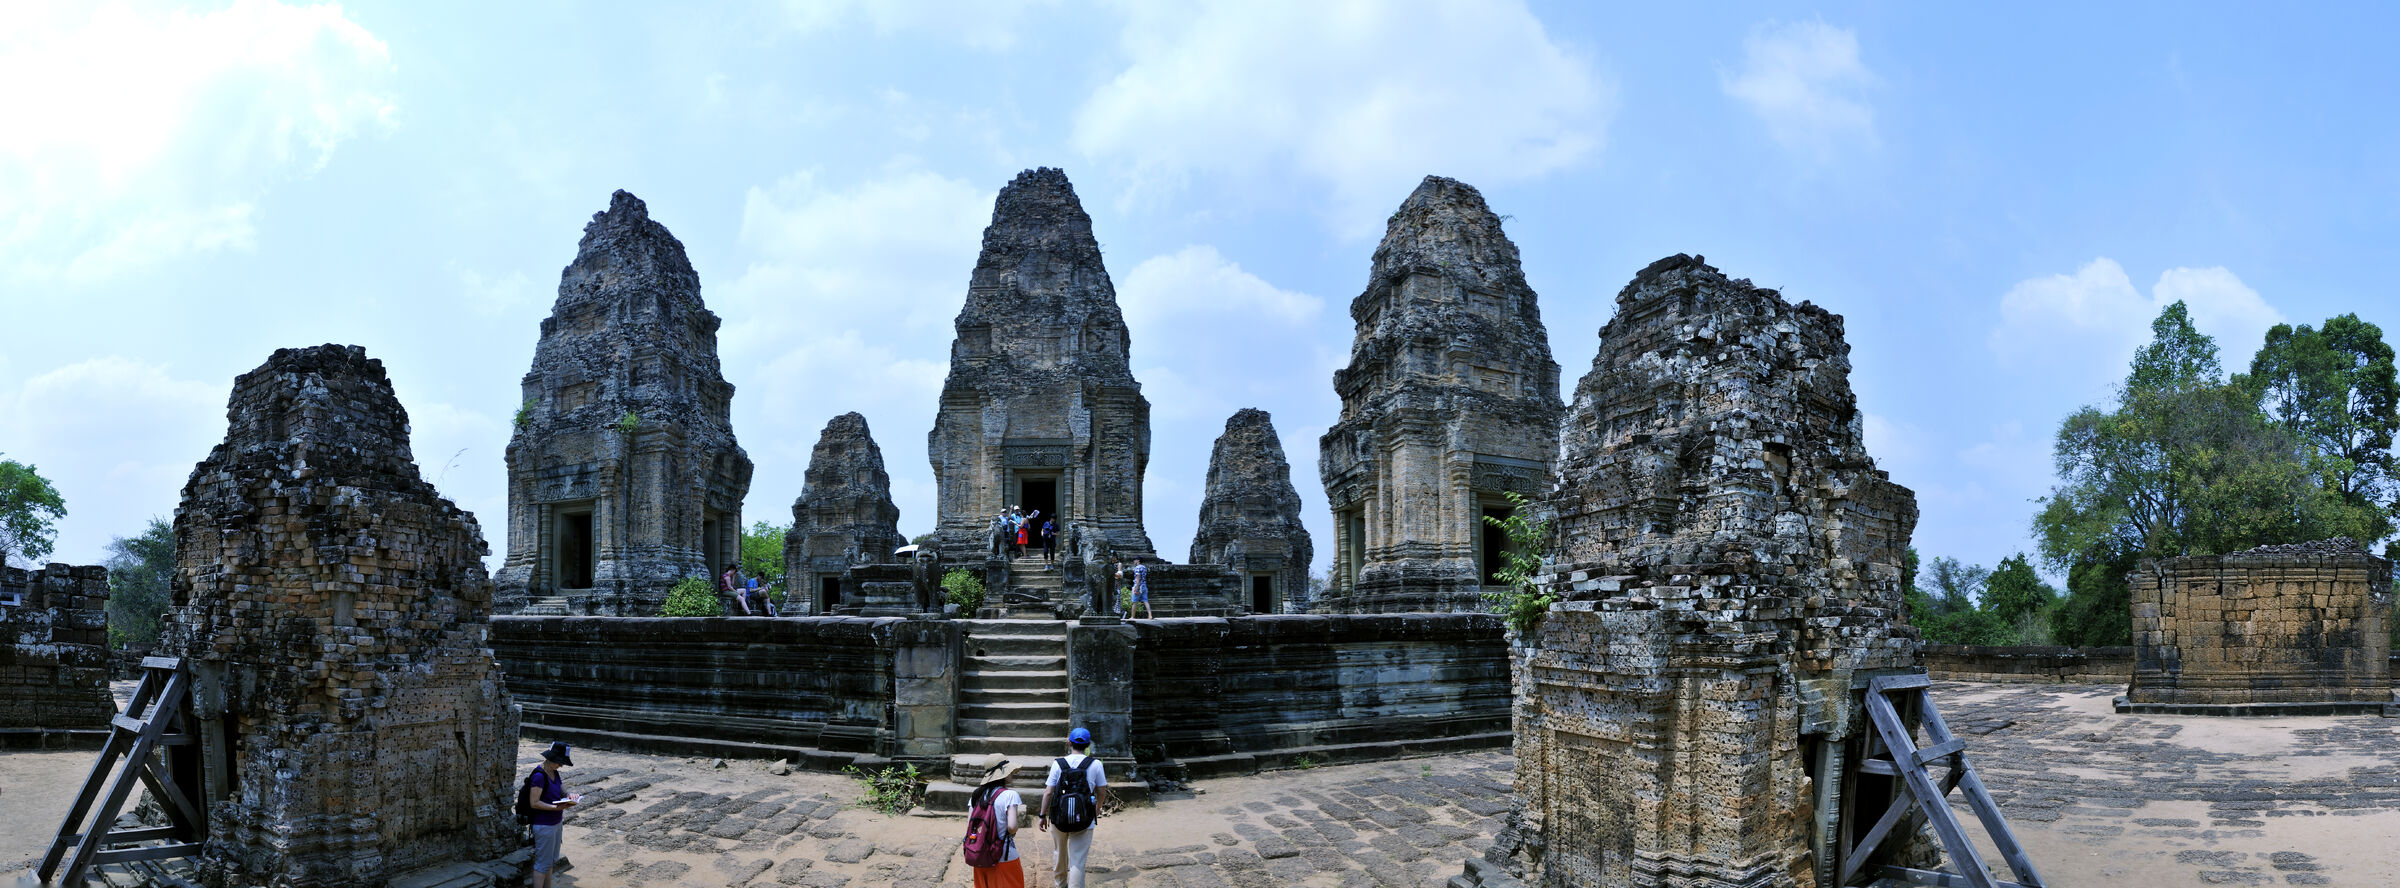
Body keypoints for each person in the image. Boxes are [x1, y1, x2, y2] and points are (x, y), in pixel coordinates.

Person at [1038, 728, 1107, 888]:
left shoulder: (1058, 763)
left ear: (1069, 743)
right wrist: (1096, 810)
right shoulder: (1096, 764)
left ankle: (1060, 884)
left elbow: (1048, 792)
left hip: (1059, 818)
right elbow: (1101, 791)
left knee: (1059, 854)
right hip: (1085, 818)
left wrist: (1042, 815)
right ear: (1088, 745)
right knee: (1078, 861)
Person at [523, 741, 581, 888]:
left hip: (556, 822)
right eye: (559, 762)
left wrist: (570, 795)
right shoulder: (539, 776)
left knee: (550, 861)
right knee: (542, 863)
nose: (560, 766)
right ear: (550, 758)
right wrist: (554, 808)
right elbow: (534, 802)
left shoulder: (554, 772)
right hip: (544, 825)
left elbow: (561, 789)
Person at [966, 757, 1028, 888]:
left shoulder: (976, 795)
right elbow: (1012, 827)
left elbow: (969, 826)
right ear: (1002, 775)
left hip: (979, 854)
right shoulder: (1010, 795)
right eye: (1009, 771)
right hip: (1004, 854)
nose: (1011, 774)